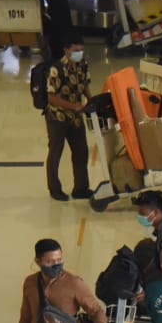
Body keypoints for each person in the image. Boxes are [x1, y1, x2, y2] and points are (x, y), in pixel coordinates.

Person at [42, 34, 92, 202]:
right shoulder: (57, 69)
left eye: (81, 50)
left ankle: (81, 188)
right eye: (76, 50)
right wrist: (74, 106)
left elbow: (84, 85)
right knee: (56, 152)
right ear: (66, 50)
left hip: (76, 118)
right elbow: (51, 97)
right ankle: (54, 189)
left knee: (81, 152)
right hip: (57, 117)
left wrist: (91, 102)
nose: (79, 53)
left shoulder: (83, 65)